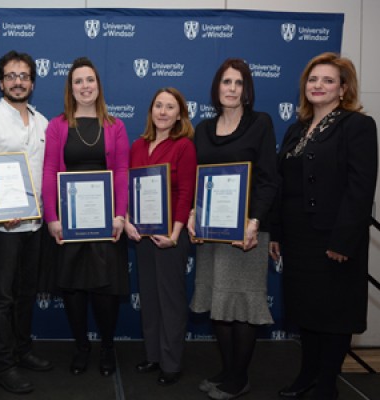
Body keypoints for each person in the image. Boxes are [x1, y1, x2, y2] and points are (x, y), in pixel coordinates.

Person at [270, 53, 378, 400]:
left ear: (343, 89)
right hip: (298, 237)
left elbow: (361, 189)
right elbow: (281, 185)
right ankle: (306, 376)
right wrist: (277, 234)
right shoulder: (295, 129)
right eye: (313, 79)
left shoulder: (357, 126)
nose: (318, 86)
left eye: (328, 80)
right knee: (307, 311)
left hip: (335, 237)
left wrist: (344, 240)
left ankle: (327, 384)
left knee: (334, 314)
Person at [187, 58, 278, 400]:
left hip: (246, 233)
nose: (232, 89)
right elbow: (199, 182)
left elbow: (269, 179)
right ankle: (228, 370)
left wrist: (254, 223)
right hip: (212, 231)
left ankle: (239, 379)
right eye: (226, 82)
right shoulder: (203, 129)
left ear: (247, 89)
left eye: (239, 83)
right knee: (218, 302)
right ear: (217, 87)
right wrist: (195, 215)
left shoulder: (261, 124)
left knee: (240, 305)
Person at [42, 57, 130, 377]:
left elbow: (121, 171)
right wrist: (52, 217)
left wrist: (120, 215)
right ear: (70, 87)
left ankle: (107, 346)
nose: (84, 86)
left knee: (105, 290)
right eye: (78, 81)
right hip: (70, 220)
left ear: (98, 85)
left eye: (89, 80)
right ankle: (81, 346)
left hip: (106, 221)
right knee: (74, 290)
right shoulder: (58, 125)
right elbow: (50, 170)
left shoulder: (115, 126)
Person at [0, 50, 53, 395]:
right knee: (1, 298)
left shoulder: (43, 122)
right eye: (10, 76)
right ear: (0, 81)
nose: (17, 81)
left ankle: (22, 350)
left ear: (32, 82)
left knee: (25, 293)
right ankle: (1, 364)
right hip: (3, 227)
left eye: (24, 76)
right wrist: (0, 212)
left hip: (35, 225)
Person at [125, 88, 197, 386]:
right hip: (142, 236)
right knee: (150, 298)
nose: (163, 112)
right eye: (158, 106)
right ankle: (153, 355)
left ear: (180, 114)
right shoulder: (138, 146)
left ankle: (171, 362)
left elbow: (185, 194)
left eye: (170, 107)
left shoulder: (184, 147)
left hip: (171, 236)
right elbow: (130, 189)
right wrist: (128, 221)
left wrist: (176, 233)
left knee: (170, 300)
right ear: (151, 110)